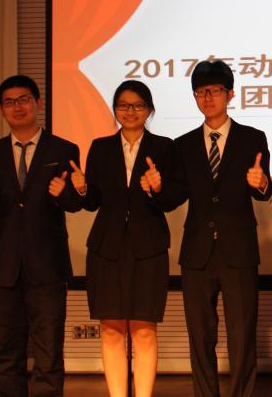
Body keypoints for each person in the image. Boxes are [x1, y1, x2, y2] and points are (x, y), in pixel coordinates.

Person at [0, 75, 83, 397]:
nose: (17, 107)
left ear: (38, 103)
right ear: (1, 109)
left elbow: (75, 204)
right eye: (9, 102)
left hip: (47, 266)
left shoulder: (63, 149)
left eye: (23, 100)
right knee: (4, 350)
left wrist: (65, 193)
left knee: (48, 349)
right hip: (3, 268)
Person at [171, 60, 272, 397]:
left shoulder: (252, 138)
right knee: (200, 336)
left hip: (238, 249)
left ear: (230, 94)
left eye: (215, 91)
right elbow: (175, 195)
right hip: (196, 252)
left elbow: (264, 191)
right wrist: (157, 187)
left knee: (242, 335)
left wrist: (262, 183)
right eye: (201, 92)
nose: (208, 98)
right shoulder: (183, 144)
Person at [71, 81, 178, 397]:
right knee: (112, 329)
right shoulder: (100, 147)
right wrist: (82, 188)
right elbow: (92, 202)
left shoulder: (164, 147)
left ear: (149, 109)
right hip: (107, 248)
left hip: (149, 247)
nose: (130, 111)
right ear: (115, 109)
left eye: (138, 105)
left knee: (144, 330)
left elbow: (172, 200)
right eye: (123, 105)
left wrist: (158, 188)